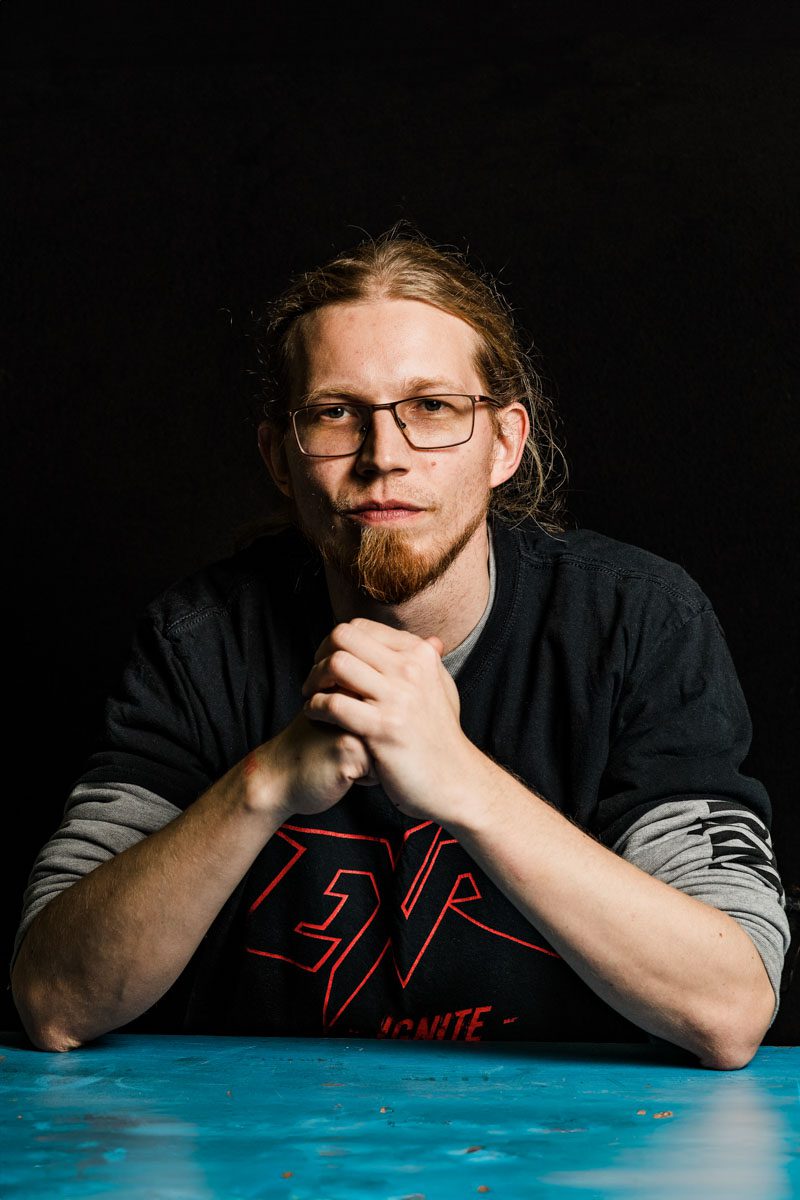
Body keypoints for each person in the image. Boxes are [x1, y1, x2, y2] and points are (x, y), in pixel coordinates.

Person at [10, 230, 790, 1067]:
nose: (385, 458)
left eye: (432, 408)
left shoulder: (636, 624)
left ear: (504, 443)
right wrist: (264, 783)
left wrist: (461, 780)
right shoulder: (200, 641)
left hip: (567, 1153)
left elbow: (729, 1006)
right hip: (261, 1152)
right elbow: (54, 1000)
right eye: (337, 412)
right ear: (281, 456)